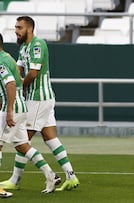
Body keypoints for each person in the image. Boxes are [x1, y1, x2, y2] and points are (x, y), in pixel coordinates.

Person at [0, 16, 79, 191]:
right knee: (50, 138)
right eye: (15, 27)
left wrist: (17, 86)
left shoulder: (37, 44)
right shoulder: (23, 49)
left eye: (19, 27)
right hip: (43, 98)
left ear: (29, 29)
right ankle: (71, 176)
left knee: (22, 140)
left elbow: (33, 73)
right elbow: (18, 68)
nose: (16, 31)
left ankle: (16, 179)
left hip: (38, 98)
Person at [0, 33, 60, 195]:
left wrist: (9, 109)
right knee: (23, 146)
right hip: (21, 107)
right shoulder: (8, 58)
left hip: (11, 109)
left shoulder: (1, 62)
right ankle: (50, 175)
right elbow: (17, 82)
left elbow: (11, 84)